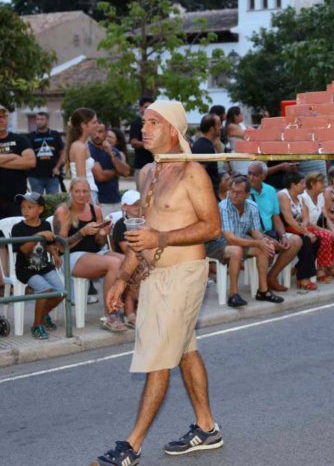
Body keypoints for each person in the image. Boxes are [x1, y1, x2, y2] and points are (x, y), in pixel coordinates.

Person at [96, 100, 224, 465]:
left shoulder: (192, 173)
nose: (144, 128)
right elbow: (143, 236)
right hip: (155, 276)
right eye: (143, 121)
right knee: (184, 350)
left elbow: (212, 228)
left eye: (154, 122)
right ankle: (207, 426)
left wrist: (162, 241)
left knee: (158, 359)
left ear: (173, 130)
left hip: (184, 275)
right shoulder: (149, 173)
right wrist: (122, 279)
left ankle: (131, 446)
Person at [53, 178, 125, 331]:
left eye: (85, 191)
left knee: (128, 260)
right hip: (70, 256)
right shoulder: (63, 211)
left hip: (95, 253)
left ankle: (131, 309)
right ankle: (110, 315)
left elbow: (98, 243)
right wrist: (82, 232)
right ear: (70, 192)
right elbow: (60, 246)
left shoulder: (95, 210)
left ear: (90, 192)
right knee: (114, 263)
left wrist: (103, 233)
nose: (81, 194)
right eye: (77, 191)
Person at [216, 174, 284, 306]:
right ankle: (233, 294)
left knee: (263, 248)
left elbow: (255, 231)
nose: (234, 195)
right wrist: (257, 242)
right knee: (236, 250)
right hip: (218, 243)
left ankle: (263, 291)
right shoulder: (224, 206)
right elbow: (230, 238)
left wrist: (263, 241)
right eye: (232, 191)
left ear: (247, 194)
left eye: (239, 192)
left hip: (240, 240)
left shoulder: (252, 206)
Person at [11, 192, 64, 340]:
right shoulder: (18, 228)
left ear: (40, 209)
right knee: (45, 289)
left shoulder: (46, 224)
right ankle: (36, 325)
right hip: (25, 269)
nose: (25, 211)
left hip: (44, 266)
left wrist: (54, 254)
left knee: (60, 291)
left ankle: (43, 315)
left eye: (30, 207)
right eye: (23, 207)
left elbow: (47, 244)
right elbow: (24, 249)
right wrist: (39, 235)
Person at [246, 161, 302, 292]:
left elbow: (276, 217)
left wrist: (282, 236)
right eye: (249, 174)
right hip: (252, 234)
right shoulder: (245, 191)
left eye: (255, 175)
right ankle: (263, 285)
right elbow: (248, 227)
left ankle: (272, 276)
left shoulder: (270, 190)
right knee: (268, 246)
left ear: (263, 176)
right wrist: (268, 239)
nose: (250, 177)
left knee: (295, 241)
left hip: (270, 232)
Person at [278, 172, 320, 290]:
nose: (304, 186)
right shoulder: (283, 195)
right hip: (284, 231)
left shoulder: (301, 196)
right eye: (301, 183)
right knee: (306, 240)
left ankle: (299, 267)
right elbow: (289, 220)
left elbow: (305, 216)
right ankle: (303, 278)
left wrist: (304, 224)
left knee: (317, 240)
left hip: (298, 228)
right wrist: (306, 232)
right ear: (293, 185)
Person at [300, 171, 334, 282]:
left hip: (316, 227)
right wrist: (326, 230)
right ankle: (320, 268)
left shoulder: (320, 196)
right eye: (321, 182)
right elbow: (307, 222)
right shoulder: (303, 197)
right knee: (326, 235)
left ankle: (331, 266)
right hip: (305, 228)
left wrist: (333, 230)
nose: (324, 184)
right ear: (312, 184)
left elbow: (326, 216)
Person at [110, 190, 142, 328]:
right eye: (134, 204)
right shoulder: (120, 225)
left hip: (143, 256)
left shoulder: (146, 221)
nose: (138, 207)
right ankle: (129, 313)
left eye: (140, 204)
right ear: (124, 207)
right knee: (131, 270)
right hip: (125, 259)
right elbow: (127, 249)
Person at [0, 104, 36, 219]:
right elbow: (24, 161)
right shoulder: (18, 146)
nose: (1, 120)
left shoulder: (20, 139)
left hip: (17, 199)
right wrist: (13, 156)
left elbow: (30, 162)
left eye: (3, 117)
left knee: (16, 233)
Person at [89, 122, 132, 217]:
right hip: (99, 201)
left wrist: (111, 153)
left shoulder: (112, 150)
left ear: (106, 133)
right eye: (94, 132)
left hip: (115, 199)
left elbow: (126, 172)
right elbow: (100, 176)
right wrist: (117, 172)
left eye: (100, 132)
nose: (97, 135)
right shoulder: (89, 150)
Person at [66, 108, 101, 203]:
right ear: (84, 125)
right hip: (85, 195)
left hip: (89, 193)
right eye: (94, 122)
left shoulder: (83, 145)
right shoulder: (79, 147)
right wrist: (89, 205)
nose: (97, 125)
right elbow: (81, 180)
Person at [27, 111, 65, 195]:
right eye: (37, 119)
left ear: (47, 120)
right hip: (35, 176)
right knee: (37, 203)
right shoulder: (30, 136)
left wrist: (57, 167)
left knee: (52, 203)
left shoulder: (55, 135)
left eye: (42, 119)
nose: (39, 121)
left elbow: (63, 153)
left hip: (53, 176)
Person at [191, 113, 222, 199]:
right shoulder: (204, 147)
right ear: (212, 129)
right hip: (207, 197)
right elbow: (197, 174)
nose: (221, 127)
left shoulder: (205, 144)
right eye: (219, 125)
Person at [128, 96, 155, 188]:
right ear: (140, 109)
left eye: (151, 107)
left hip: (156, 165)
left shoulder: (156, 123)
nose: (149, 109)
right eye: (146, 107)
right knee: (143, 196)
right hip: (142, 166)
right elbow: (133, 142)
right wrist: (150, 144)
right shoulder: (137, 123)